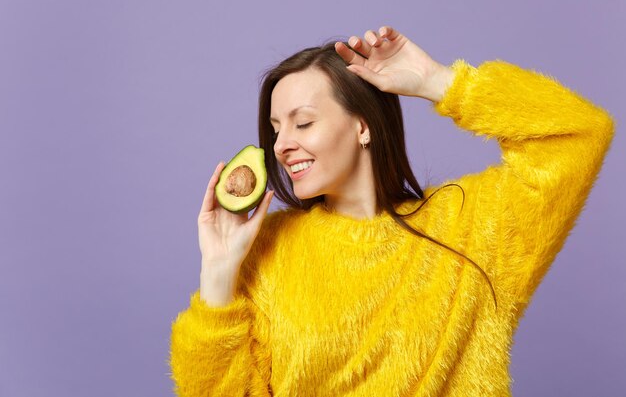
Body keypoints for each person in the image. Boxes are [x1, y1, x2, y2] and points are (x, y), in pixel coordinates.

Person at [168, 26, 615, 396]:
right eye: (275, 127)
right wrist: (218, 275)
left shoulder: (470, 227)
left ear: (362, 126)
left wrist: (440, 82)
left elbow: (578, 135)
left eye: (303, 122)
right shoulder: (265, 248)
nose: (282, 144)